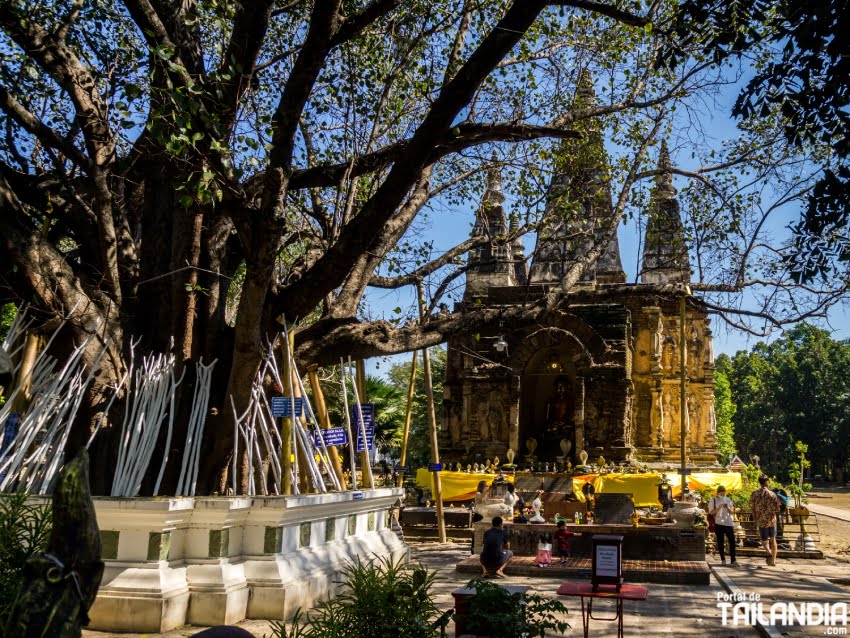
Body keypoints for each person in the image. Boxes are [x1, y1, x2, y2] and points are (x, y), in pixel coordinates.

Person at [749, 475, 781, 566]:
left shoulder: (754, 493)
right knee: (773, 539)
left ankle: (768, 551)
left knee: (764, 540)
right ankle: (773, 561)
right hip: (771, 520)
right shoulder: (772, 494)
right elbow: (778, 509)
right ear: (766, 482)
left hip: (761, 520)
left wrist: (755, 518)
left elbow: (753, 508)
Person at [709, 486, 736, 565]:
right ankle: (723, 559)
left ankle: (733, 560)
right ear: (718, 492)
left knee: (732, 540)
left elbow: (732, 512)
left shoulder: (728, 500)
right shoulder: (713, 500)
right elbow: (711, 512)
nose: (723, 493)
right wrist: (719, 507)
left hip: (728, 522)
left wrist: (727, 508)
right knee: (720, 541)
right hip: (718, 522)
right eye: (721, 492)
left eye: (724, 492)